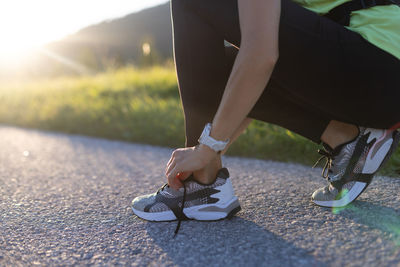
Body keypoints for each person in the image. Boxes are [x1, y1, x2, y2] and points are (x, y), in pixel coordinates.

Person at [132, 0, 400, 233]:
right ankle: (346, 138)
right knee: (224, 67)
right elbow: (252, 75)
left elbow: (261, 56)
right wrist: (208, 149)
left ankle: (200, 186)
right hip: (378, 77)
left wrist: (207, 149)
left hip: (380, 68)